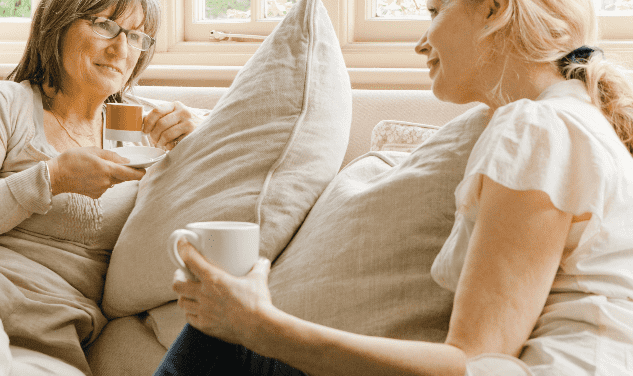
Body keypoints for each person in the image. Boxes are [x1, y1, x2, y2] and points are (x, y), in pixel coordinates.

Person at [155, 0, 633, 374]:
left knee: (218, 333)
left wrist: (260, 326)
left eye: (434, 11)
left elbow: (473, 364)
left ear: (494, 8)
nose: (421, 43)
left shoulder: (537, 126)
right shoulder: (566, 121)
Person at [0, 0, 204, 375]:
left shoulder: (150, 130)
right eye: (105, 25)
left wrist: (202, 144)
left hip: (58, 330)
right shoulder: (3, 102)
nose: (121, 49)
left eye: (137, 36)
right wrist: (50, 179)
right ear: (58, 24)